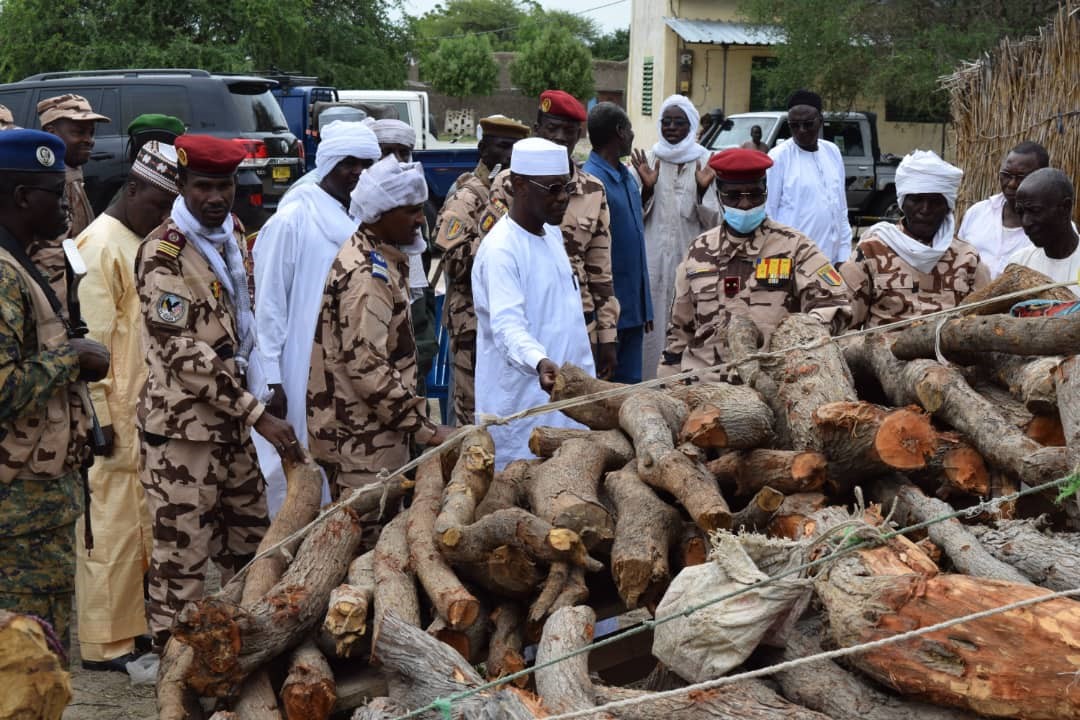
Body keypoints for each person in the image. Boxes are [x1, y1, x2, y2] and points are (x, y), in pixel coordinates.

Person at [134, 134, 302, 649]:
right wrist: (259, 415)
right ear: (181, 185)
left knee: (253, 551)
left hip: (232, 428)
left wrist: (259, 387)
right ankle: (175, 669)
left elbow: (240, 321)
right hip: (183, 436)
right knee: (180, 567)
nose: (215, 197)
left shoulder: (230, 235)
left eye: (224, 185)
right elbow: (186, 356)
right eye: (203, 185)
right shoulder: (164, 255)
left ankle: (241, 657)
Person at [0, 129, 110, 657]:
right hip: (18, 508)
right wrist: (74, 357)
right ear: (22, 198)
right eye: (54, 192)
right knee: (28, 657)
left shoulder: (23, 261)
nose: (68, 203)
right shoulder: (3, 275)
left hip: (39, 502)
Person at [73, 141, 179, 669]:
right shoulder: (99, 246)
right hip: (111, 414)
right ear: (131, 189)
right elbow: (89, 346)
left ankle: (132, 632)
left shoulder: (136, 239)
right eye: (157, 206)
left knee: (137, 523)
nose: (162, 218)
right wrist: (100, 418)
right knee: (108, 528)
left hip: (140, 410)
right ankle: (102, 645)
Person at [251, 121, 381, 515]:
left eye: (365, 164)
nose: (357, 172)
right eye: (348, 164)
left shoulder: (358, 217)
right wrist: (271, 377)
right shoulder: (292, 219)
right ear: (328, 164)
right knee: (294, 472)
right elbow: (269, 306)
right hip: (294, 369)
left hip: (342, 367)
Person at [307, 156, 451, 496]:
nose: (420, 220)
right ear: (381, 212)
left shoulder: (377, 254)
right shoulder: (367, 277)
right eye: (411, 210)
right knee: (369, 538)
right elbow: (367, 366)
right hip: (361, 442)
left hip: (371, 431)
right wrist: (425, 428)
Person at [660, 149, 851, 380]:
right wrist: (668, 383)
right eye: (733, 196)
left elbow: (836, 304)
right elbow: (679, 332)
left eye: (754, 195)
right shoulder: (699, 251)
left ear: (766, 192)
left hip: (773, 380)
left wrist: (800, 333)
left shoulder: (795, 247)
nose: (745, 204)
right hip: (705, 384)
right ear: (719, 195)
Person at [473, 137, 596, 469]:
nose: (563, 199)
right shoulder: (502, 249)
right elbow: (507, 327)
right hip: (524, 410)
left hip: (566, 405)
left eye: (567, 188)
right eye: (553, 188)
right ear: (519, 185)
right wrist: (539, 361)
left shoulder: (551, 235)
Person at [481, 90, 621, 380]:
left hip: (577, 322)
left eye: (568, 131)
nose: (559, 137)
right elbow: (501, 285)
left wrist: (607, 335)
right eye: (551, 128)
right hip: (526, 323)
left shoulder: (591, 191)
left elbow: (600, 271)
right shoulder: (508, 183)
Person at [434, 115, 530, 425]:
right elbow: (453, 260)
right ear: (482, 148)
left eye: (515, 148)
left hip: (504, 320)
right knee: (471, 413)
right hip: (470, 323)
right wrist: (493, 227)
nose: (509, 156)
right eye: (502, 147)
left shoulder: (518, 193)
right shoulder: (468, 196)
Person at [842, 150, 989, 328]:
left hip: (947, 354)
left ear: (947, 206)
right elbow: (847, 321)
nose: (925, 209)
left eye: (935, 201)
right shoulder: (870, 252)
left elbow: (982, 322)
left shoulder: (967, 258)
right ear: (903, 203)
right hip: (881, 352)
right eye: (917, 200)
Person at [629, 94, 720, 379]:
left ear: (691, 125)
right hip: (652, 261)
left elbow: (717, 221)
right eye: (665, 121)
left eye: (678, 122)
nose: (670, 127)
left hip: (691, 260)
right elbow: (634, 217)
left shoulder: (707, 162)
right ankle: (648, 387)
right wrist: (646, 190)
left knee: (690, 324)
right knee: (653, 329)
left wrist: (703, 191)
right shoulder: (647, 160)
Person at [583, 103, 653, 383]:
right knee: (607, 395)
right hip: (608, 316)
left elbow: (633, 241)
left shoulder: (625, 177)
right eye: (631, 129)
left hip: (632, 311)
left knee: (631, 393)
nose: (634, 135)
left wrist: (644, 304)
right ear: (620, 132)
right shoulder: (591, 182)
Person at [370, 117, 436, 387]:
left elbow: (421, 293)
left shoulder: (419, 216)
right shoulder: (358, 215)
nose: (396, 161)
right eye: (386, 153)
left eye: (403, 153)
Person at [32, 94, 111, 303]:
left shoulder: (72, 171)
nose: (89, 140)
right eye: (79, 132)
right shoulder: (47, 187)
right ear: (51, 134)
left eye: (91, 132)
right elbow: (51, 259)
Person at [765, 89, 851, 266]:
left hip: (831, 261)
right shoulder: (778, 157)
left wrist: (843, 256)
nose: (801, 130)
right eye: (794, 125)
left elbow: (841, 209)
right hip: (792, 259)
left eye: (808, 124)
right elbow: (768, 213)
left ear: (820, 121)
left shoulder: (832, 152)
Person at [958, 141, 1050, 278]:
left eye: (1021, 177)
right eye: (1006, 174)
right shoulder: (977, 213)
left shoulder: (1053, 227)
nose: (1012, 183)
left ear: (1042, 177)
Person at [1006, 168, 1080, 297]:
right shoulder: (1019, 264)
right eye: (1020, 212)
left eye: (1035, 210)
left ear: (1065, 207)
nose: (1026, 222)